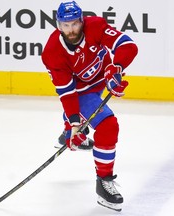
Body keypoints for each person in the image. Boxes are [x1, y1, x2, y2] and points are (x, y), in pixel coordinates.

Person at [41, 1, 138, 211]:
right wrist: (76, 121)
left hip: (100, 82)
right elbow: (67, 94)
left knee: (77, 128)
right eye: (65, 25)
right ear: (58, 25)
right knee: (108, 126)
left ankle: (68, 132)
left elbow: (128, 45)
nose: (71, 30)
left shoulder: (96, 26)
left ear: (82, 21)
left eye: (75, 24)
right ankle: (103, 182)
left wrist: (117, 68)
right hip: (80, 92)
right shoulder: (52, 52)